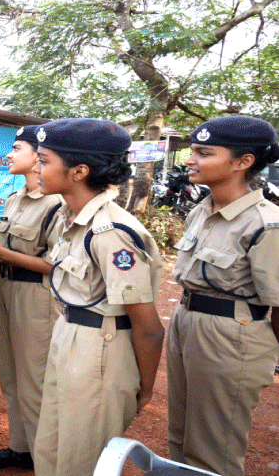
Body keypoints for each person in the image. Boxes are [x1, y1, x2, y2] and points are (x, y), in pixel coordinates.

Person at [31, 118, 165, 476]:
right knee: (50, 450)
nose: (35, 167)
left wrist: (145, 389)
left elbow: (148, 325)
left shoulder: (112, 232)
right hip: (70, 337)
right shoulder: (71, 218)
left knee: (80, 460)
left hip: (102, 351)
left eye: (44, 160)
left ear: (78, 171)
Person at [166, 116, 279, 476]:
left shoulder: (266, 222)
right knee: (180, 434)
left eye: (204, 153)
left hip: (232, 333)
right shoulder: (201, 210)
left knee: (214, 444)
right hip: (186, 320)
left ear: (243, 162)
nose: (190, 160)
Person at [0, 125, 63, 471]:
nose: (9, 155)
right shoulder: (15, 198)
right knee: (12, 378)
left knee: (35, 382)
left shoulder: (57, 203)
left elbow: (56, 265)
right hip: (7, 289)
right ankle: (21, 449)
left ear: (38, 157)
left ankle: (47, 460)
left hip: (37, 296)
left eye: (17, 148)